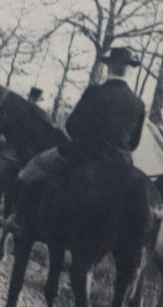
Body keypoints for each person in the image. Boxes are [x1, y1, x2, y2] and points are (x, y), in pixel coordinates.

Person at [9, 47, 145, 230]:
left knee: (34, 166)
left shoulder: (94, 92)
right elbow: (134, 143)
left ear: (110, 66)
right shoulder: (138, 104)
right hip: (119, 163)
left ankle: (19, 218)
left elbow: (72, 125)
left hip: (84, 154)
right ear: (131, 69)